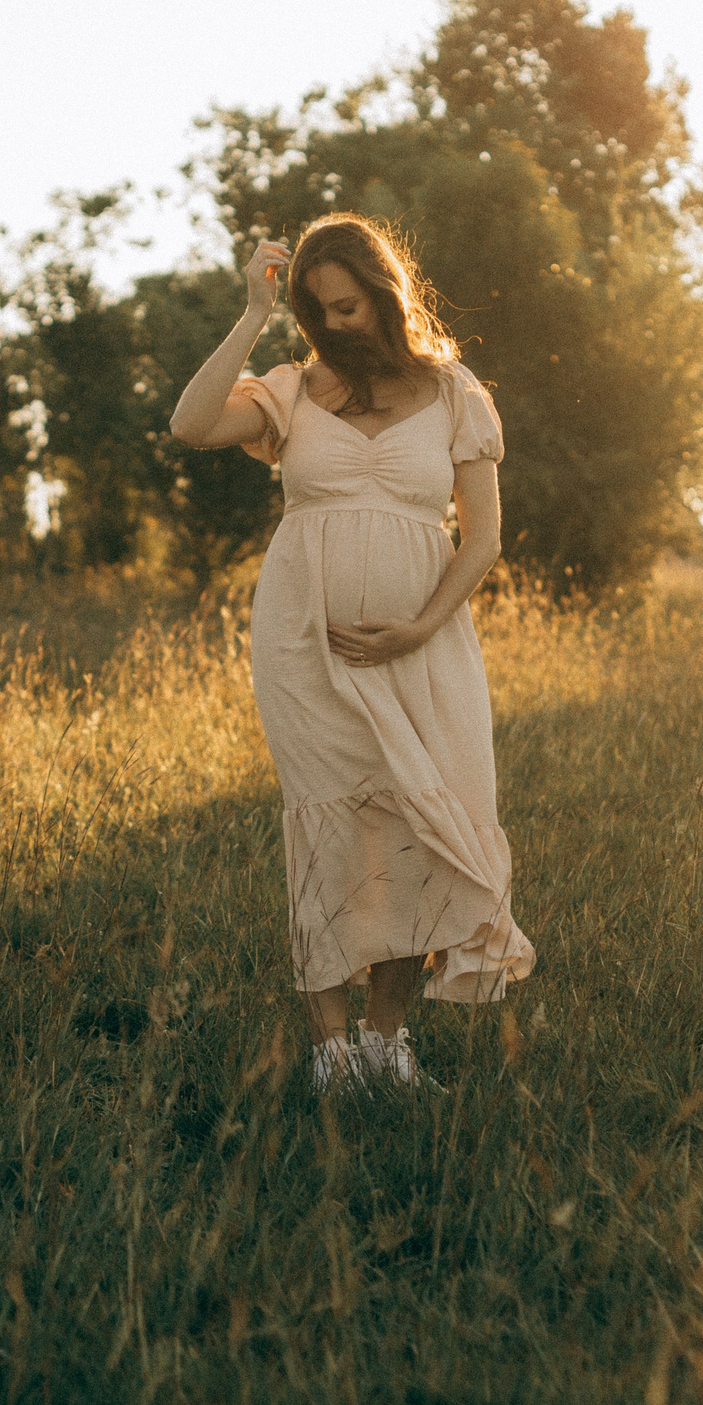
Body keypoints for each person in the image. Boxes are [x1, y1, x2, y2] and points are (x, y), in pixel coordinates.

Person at [169, 213, 536, 1092]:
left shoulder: (454, 393)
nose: (337, 324)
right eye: (318, 309)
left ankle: (386, 1040)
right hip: (308, 651)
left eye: (351, 305)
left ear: (384, 293)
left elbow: (481, 540)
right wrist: (252, 314)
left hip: (423, 646)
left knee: (420, 823)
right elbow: (189, 425)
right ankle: (332, 1053)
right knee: (330, 829)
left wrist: (419, 626)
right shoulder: (293, 390)